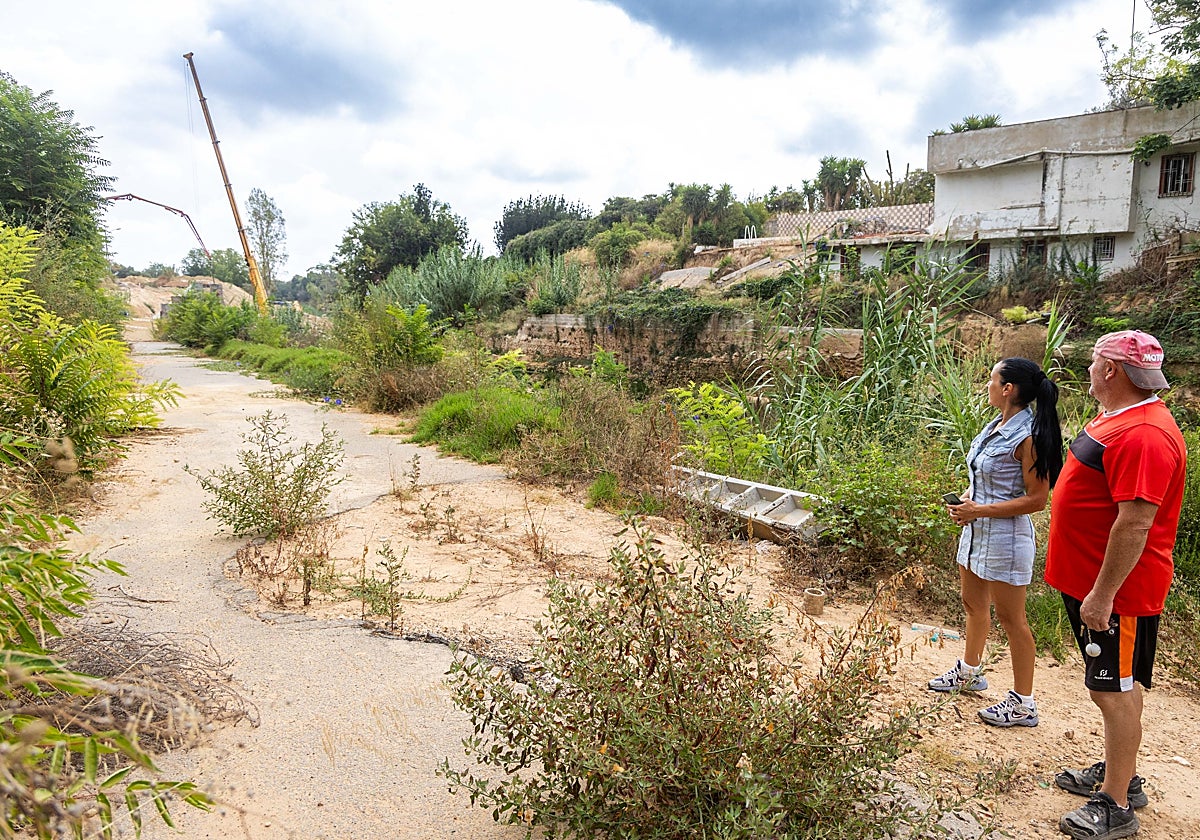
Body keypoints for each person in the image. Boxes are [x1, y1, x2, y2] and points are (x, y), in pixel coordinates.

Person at [1045, 330, 1186, 840]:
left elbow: (1135, 524)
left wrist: (1102, 595)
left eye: (1093, 362)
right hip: (1093, 583)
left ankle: (1117, 804)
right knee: (1121, 684)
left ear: (1112, 371)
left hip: (1116, 592)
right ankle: (1121, 773)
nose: (1087, 369)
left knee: (1111, 690)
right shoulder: (1119, 418)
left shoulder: (1144, 435)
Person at [930, 357, 1062, 730]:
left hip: (1006, 539)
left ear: (1008, 389)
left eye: (992, 379)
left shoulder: (1029, 436)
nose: (986, 385)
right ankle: (970, 672)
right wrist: (968, 504)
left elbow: (1037, 500)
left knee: (1012, 619)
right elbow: (987, 478)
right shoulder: (994, 427)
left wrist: (980, 509)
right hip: (976, 533)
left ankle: (1024, 703)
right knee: (973, 605)